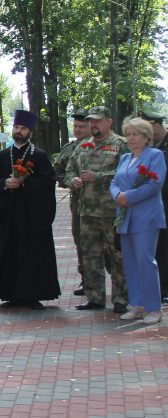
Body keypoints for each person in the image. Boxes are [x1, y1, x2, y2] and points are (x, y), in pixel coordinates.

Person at [0, 110, 61, 310]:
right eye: (16, 127)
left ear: (31, 132)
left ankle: (32, 295)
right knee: (10, 252)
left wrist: (25, 183)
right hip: (9, 216)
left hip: (32, 217)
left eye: (23, 128)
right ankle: (10, 294)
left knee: (32, 254)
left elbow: (48, 183)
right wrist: (4, 183)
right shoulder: (1, 156)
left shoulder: (39, 156)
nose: (19, 131)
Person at [64, 105, 129, 312]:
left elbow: (126, 175)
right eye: (91, 121)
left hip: (112, 213)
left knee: (117, 256)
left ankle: (121, 298)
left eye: (97, 121)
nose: (93, 125)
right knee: (90, 256)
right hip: (87, 213)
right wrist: (73, 180)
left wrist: (98, 177)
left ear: (109, 122)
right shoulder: (82, 146)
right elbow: (67, 172)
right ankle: (95, 297)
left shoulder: (121, 145)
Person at [110, 117, 166, 324]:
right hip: (125, 217)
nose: (131, 139)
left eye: (136, 134)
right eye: (128, 134)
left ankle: (154, 308)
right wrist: (118, 196)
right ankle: (138, 304)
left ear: (146, 136)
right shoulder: (125, 158)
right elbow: (114, 181)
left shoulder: (155, 155)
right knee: (131, 262)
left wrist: (128, 197)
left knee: (145, 261)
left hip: (146, 217)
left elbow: (154, 184)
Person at [53, 108, 92, 296]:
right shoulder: (69, 148)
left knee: (109, 245)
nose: (77, 130)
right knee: (81, 241)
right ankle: (87, 279)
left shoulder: (103, 145)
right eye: (75, 126)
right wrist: (69, 182)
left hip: (104, 203)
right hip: (79, 203)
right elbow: (58, 171)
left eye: (81, 127)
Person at [142, 109, 168, 304]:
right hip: (158, 205)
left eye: (148, 128)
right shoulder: (154, 146)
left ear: (157, 126)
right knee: (159, 249)